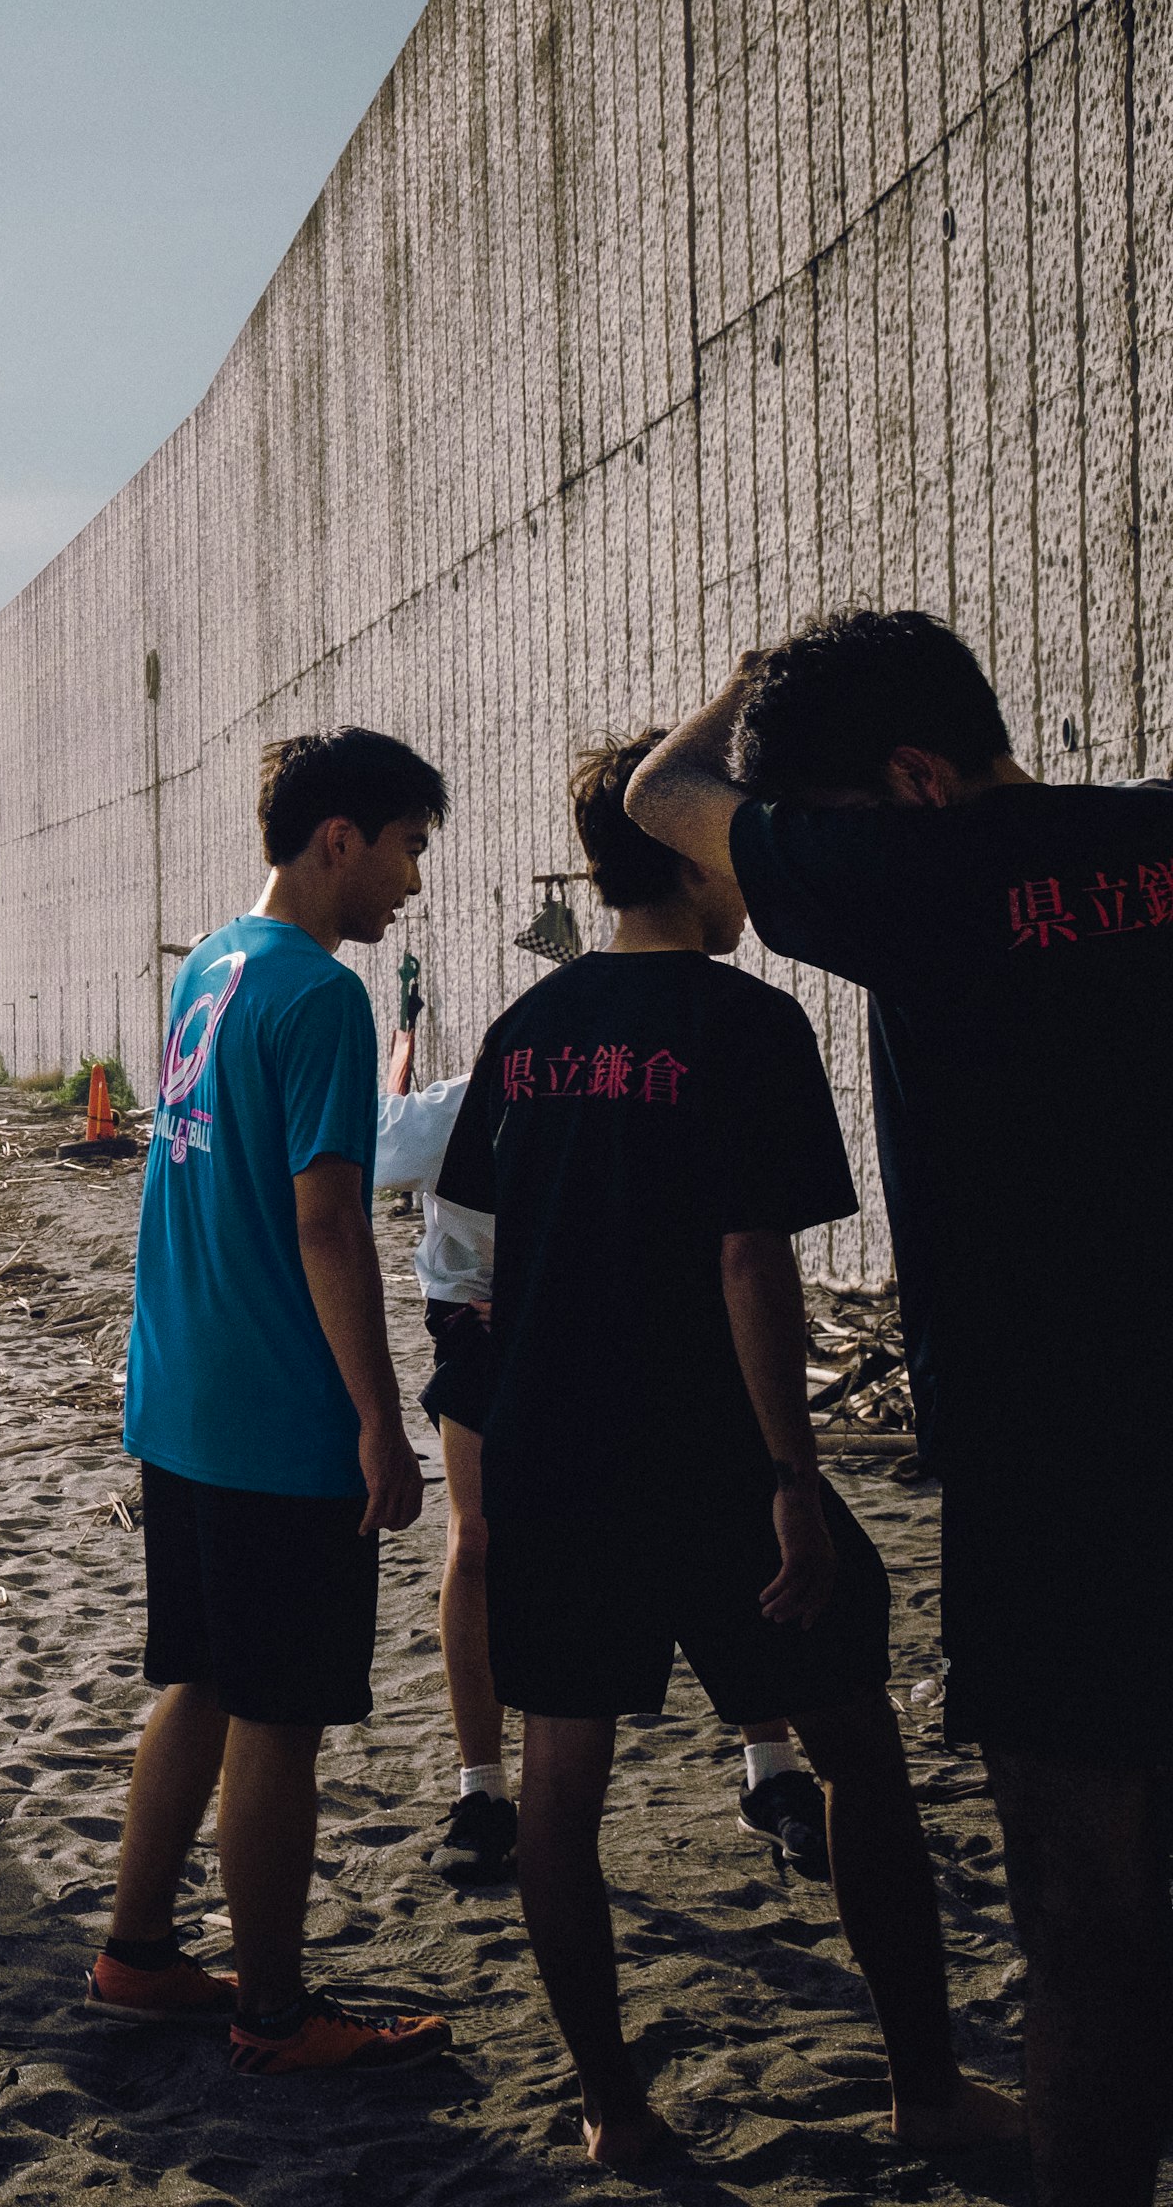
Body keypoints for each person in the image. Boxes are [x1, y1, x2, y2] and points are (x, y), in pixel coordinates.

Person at [630, 610, 1166, 2204]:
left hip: (1057, 1482)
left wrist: (750, 662)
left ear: (918, 779)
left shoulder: (923, 882)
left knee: (1082, 1921)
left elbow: (670, 792)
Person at [444, 732, 1021, 2168]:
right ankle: (926, 2087)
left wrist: (496, 1431)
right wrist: (795, 1479)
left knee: (561, 1794)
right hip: (713, 1464)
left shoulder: (523, 1029)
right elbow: (750, 1264)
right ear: (703, 860)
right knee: (856, 1760)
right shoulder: (750, 1026)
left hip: (555, 1460)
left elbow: (461, 1265)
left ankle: (612, 2107)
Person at [94, 729, 451, 2074]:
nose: (411, 883)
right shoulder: (317, 997)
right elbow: (328, 1223)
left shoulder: (209, 967)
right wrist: (378, 1417)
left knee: (196, 1679)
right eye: (408, 848)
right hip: (270, 1414)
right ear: (339, 839)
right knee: (279, 1724)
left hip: (179, 1395)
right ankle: (273, 2012)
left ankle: (137, 1953)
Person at [385, 1030, 823, 1892]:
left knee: (720, 1531)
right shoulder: (472, 1098)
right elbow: (363, 1152)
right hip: (486, 1329)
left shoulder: (642, 1089)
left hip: (623, 1332)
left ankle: (770, 1768)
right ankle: (481, 1792)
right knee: (477, 1544)